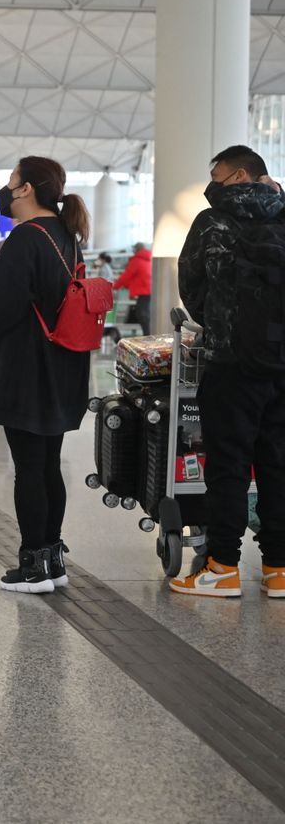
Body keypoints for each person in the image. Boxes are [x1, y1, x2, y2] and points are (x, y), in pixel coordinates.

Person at [0, 156, 92, 594]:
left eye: (11, 181)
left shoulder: (23, 239)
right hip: (64, 367)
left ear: (27, 188)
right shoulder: (67, 237)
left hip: (28, 368)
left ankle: (33, 567)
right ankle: (52, 559)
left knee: (29, 468)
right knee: (48, 465)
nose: (6, 188)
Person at [171, 144, 285, 598]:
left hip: (232, 363)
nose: (211, 183)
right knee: (277, 465)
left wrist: (222, 323)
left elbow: (191, 288)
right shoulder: (282, 214)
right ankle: (278, 568)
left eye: (217, 174)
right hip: (282, 364)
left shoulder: (212, 221)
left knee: (228, 467)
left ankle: (222, 565)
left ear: (239, 176)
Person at [115, 241, 152, 333]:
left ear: (137, 249)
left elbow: (127, 275)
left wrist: (115, 286)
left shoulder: (137, 260)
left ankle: (148, 336)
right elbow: (136, 277)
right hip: (148, 290)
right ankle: (147, 334)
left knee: (142, 314)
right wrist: (126, 285)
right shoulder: (147, 259)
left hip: (143, 291)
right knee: (143, 313)